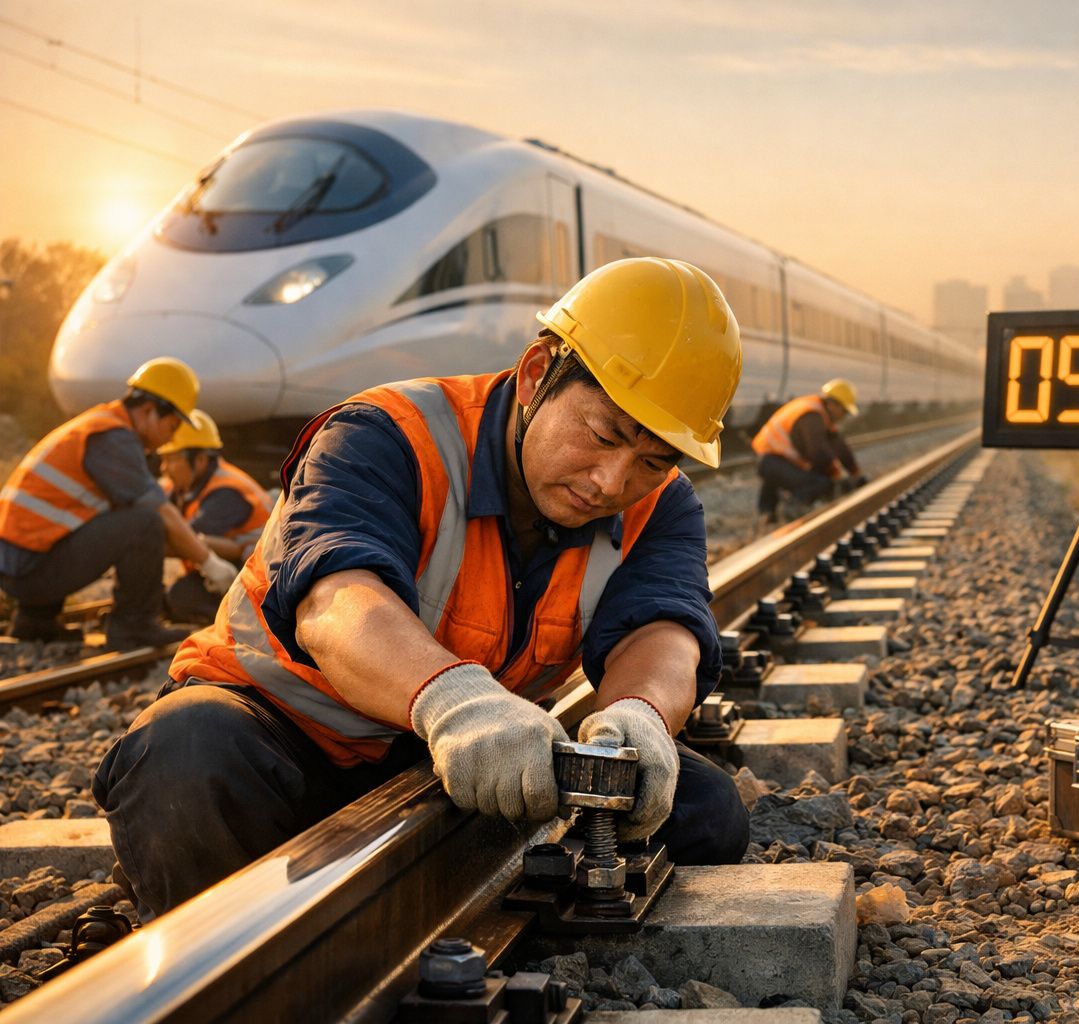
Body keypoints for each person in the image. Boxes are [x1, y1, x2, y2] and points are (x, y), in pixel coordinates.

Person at [93, 258, 752, 917]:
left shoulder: (661, 504)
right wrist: (456, 703)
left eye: (653, 459)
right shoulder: (386, 437)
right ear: (534, 375)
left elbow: (662, 624)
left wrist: (643, 715)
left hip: (442, 758)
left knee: (706, 812)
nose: (612, 482)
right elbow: (336, 601)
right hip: (285, 745)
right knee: (184, 750)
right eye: (602, 433)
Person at [0, 358, 240, 649]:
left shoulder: (98, 426)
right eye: (173, 425)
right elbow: (160, 513)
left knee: (117, 520)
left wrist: (194, 552)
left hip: (19, 565)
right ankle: (134, 626)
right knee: (144, 522)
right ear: (149, 411)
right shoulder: (114, 439)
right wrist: (209, 562)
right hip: (29, 571)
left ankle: (35, 621)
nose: (171, 437)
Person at [158, 410, 275, 624]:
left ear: (200, 460)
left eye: (171, 459)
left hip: (262, 579)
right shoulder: (182, 485)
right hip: (233, 564)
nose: (163, 468)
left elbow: (181, 541)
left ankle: (247, 621)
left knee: (182, 596)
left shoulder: (227, 493)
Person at [752, 377, 866, 522]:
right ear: (832, 404)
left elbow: (839, 445)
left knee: (792, 476)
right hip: (770, 461)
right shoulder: (811, 416)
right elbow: (818, 453)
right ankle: (794, 507)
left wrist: (856, 472)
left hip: (773, 461)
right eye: (844, 411)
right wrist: (838, 475)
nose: (844, 416)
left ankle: (767, 515)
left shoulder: (818, 412)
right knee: (822, 482)